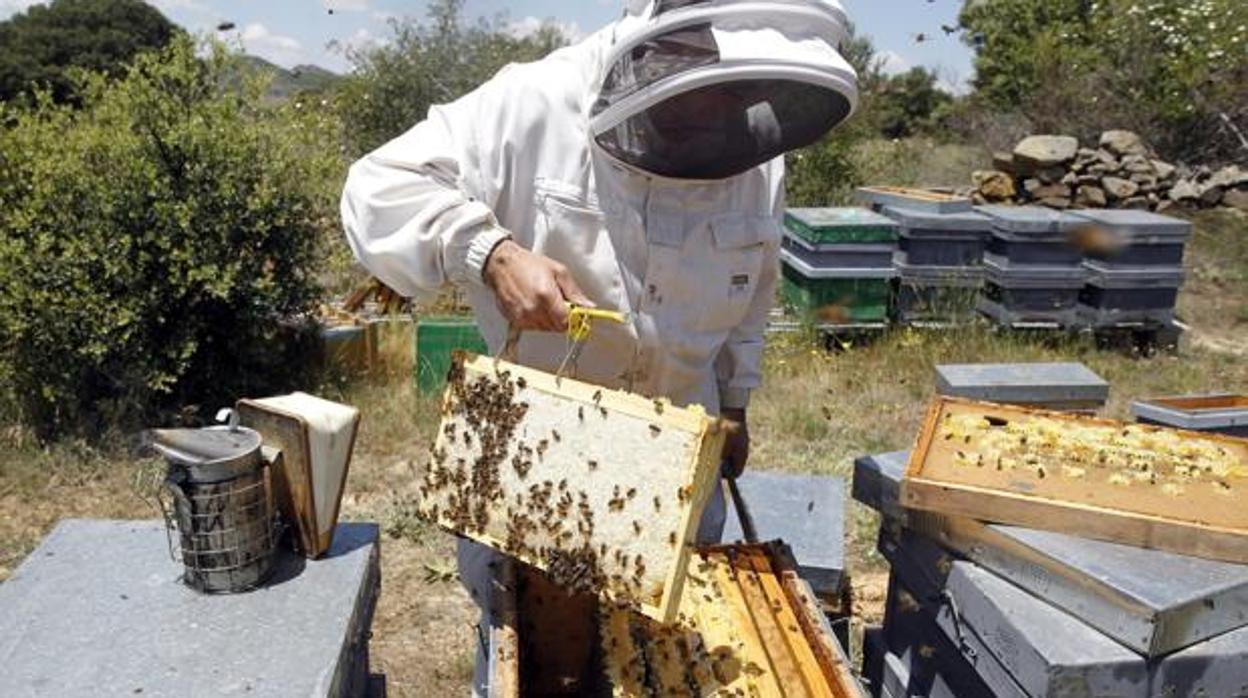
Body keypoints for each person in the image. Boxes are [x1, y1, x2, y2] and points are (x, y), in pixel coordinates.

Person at [341, 0, 857, 692]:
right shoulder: (531, 102)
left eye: (739, 94)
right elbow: (374, 189)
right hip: (542, 477)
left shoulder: (750, 148)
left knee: (660, 668)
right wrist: (489, 252)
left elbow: (752, 285)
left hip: (677, 479)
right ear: (657, 44)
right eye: (708, 91)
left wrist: (736, 400)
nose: (720, 115)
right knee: (540, 666)